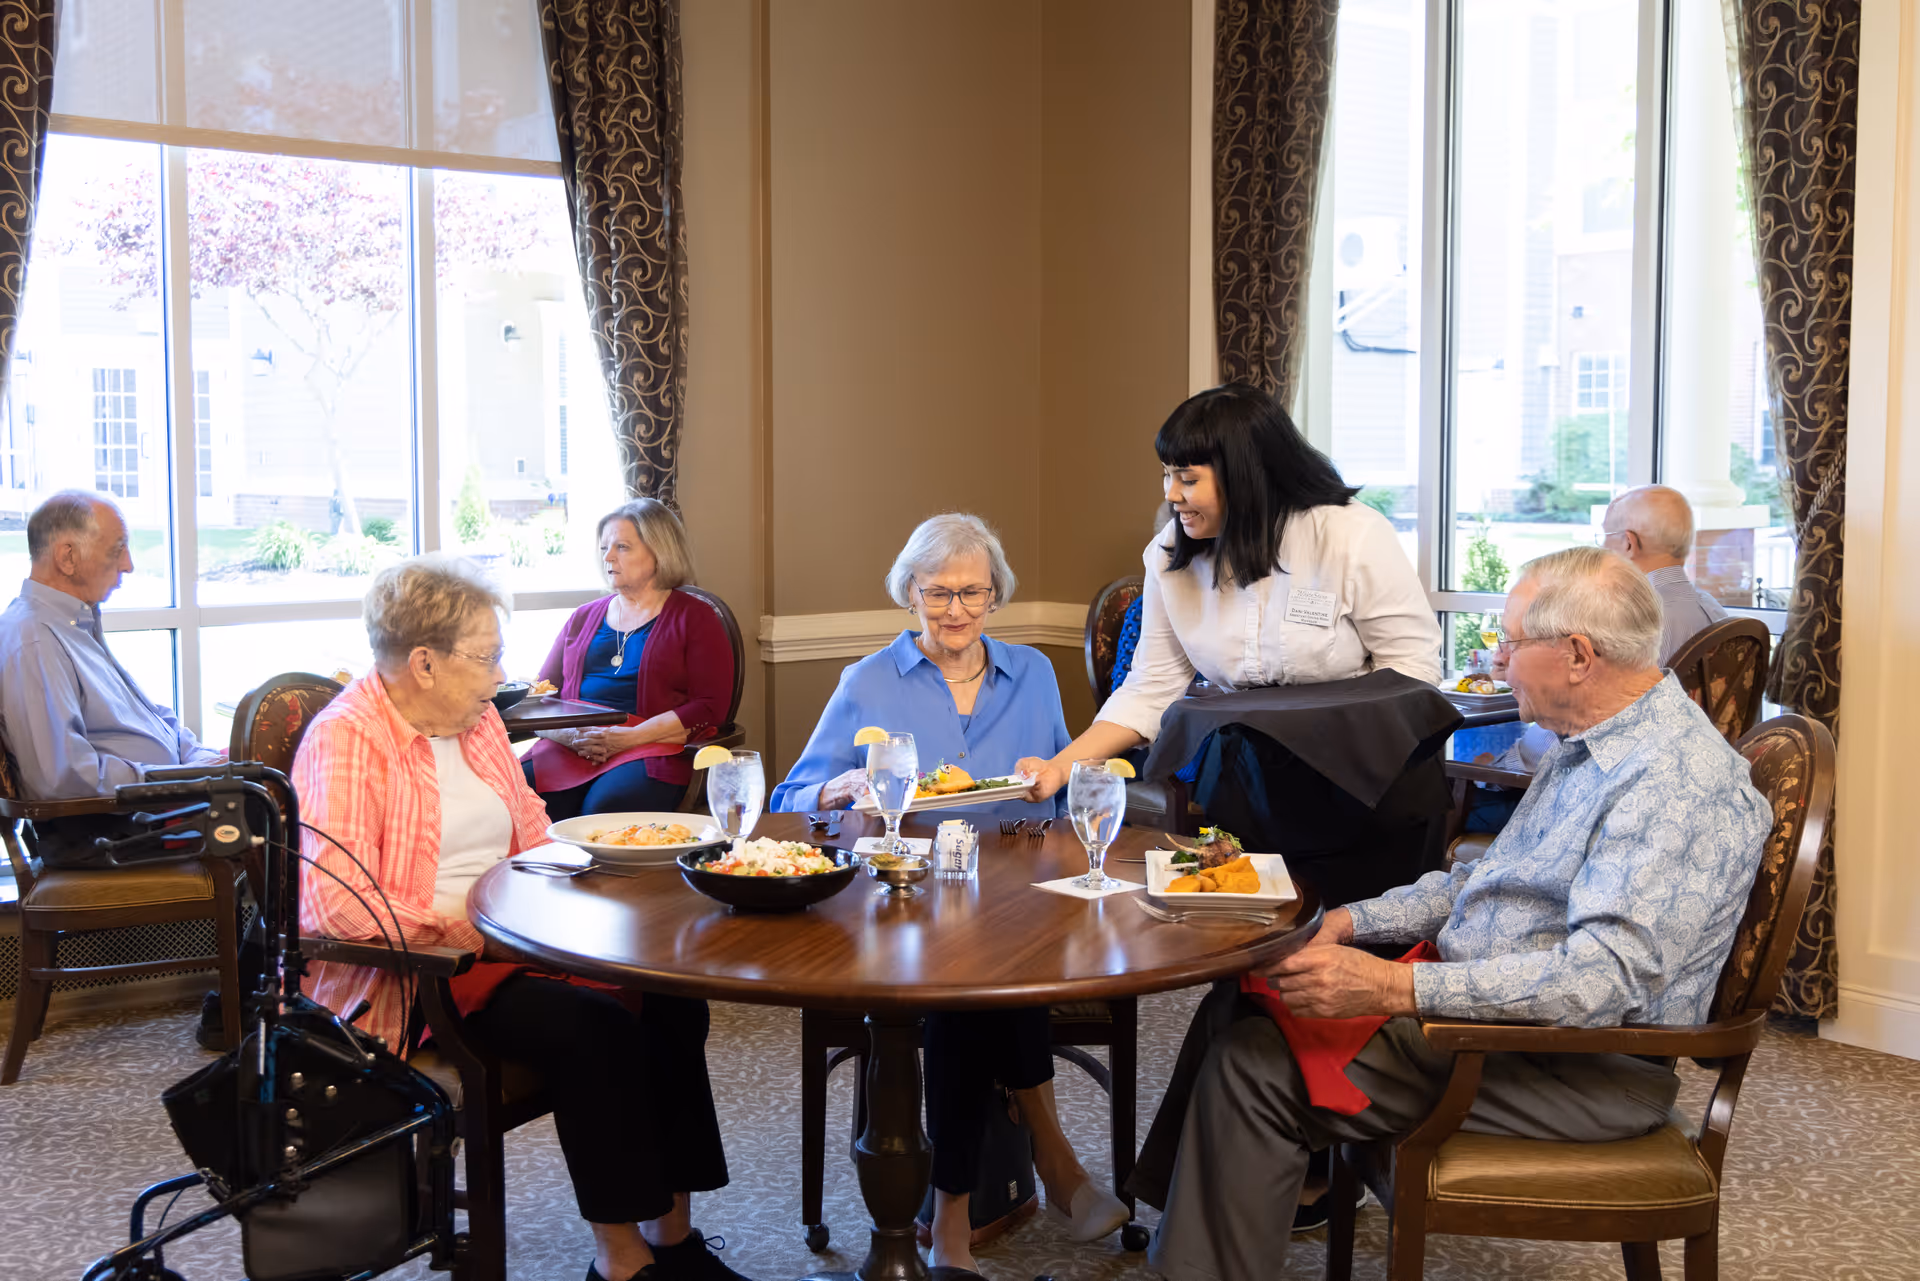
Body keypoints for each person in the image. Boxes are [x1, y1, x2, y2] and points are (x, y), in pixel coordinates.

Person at [1140, 546, 1772, 1281]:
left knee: (1254, 1064)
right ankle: (1174, 1242)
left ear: (1577, 655)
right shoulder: (1594, 743)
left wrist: (1388, 990)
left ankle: (1185, 1257)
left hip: (1575, 1067)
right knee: (1247, 993)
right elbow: (1477, 881)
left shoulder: (1669, 782)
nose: (1496, 661)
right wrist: (1343, 923)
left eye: (1509, 641)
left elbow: (1599, 983)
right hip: (1502, 1027)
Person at [294, 555, 747, 1281]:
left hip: (514, 939)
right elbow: (337, 907)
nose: (501, 673)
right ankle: (623, 1261)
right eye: (487, 655)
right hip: (421, 978)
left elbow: (536, 834)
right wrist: (477, 932)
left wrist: (597, 887)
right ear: (424, 663)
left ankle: (673, 1236)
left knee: (669, 995)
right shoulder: (347, 740)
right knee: (592, 1027)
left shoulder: (475, 724)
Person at [768, 514, 1125, 1271]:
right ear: (909, 593)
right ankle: (1047, 1163)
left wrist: (1046, 778)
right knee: (964, 976)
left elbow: (1057, 810)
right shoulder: (867, 681)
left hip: (1018, 888)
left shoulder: (1030, 672)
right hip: (901, 899)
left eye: (973, 592)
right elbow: (792, 794)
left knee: (998, 956)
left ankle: (956, 1220)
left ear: (996, 596)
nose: (956, 609)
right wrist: (842, 784)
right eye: (939, 593)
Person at [1019, 383, 1442, 800]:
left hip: (1366, 779)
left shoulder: (1351, 534)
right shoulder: (1170, 555)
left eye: (1187, 478)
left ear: (1244, 475)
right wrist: (1059, 769)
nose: (1170, 494)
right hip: (1246, 779)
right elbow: (1149, 688)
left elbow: (1412, 671)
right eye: (1167, 475)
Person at [0, 490, 223, 800]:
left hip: (159, 802)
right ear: (68, 558)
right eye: (118, 549)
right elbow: (63, 779)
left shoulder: (74, 620)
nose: (128, 564)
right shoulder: (35, 639)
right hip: (122, 829)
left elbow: (145, 716)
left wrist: (197, 755)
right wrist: (176, 778)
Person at [524, 499, 735, 820]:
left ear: (659, 552)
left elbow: (709, 707)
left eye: (622, 547)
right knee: (513, 796)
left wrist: (630, 737)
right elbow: (540, 696)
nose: (608, 557)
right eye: (604, 547)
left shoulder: (696, 617)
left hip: (650, 747)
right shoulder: (582, 617)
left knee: (606, 810)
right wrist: (570, 736)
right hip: (574, 742)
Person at [1601, 483, 1730, 661]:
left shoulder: (1636, 620)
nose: (1602, 547)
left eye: (1606, 536)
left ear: (1628, 543)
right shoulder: (1713, 608)